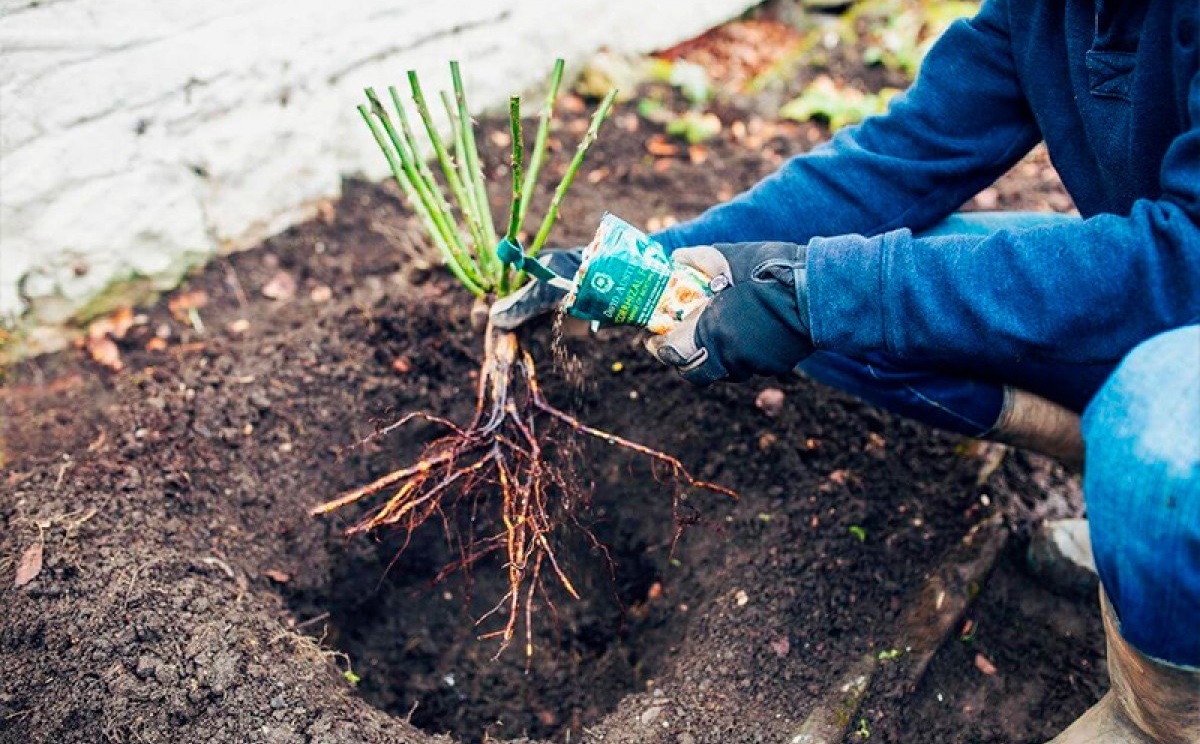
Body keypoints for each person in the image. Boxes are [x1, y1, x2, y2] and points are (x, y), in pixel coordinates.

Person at [492, 0, 1199, 740]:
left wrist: (825, 289)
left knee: (1155, 439)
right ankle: (1147, 522)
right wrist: (646, 269)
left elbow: (1185, 265)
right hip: (1159, 306)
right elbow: (896, 159)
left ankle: (1161, 713)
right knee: (850, 306)